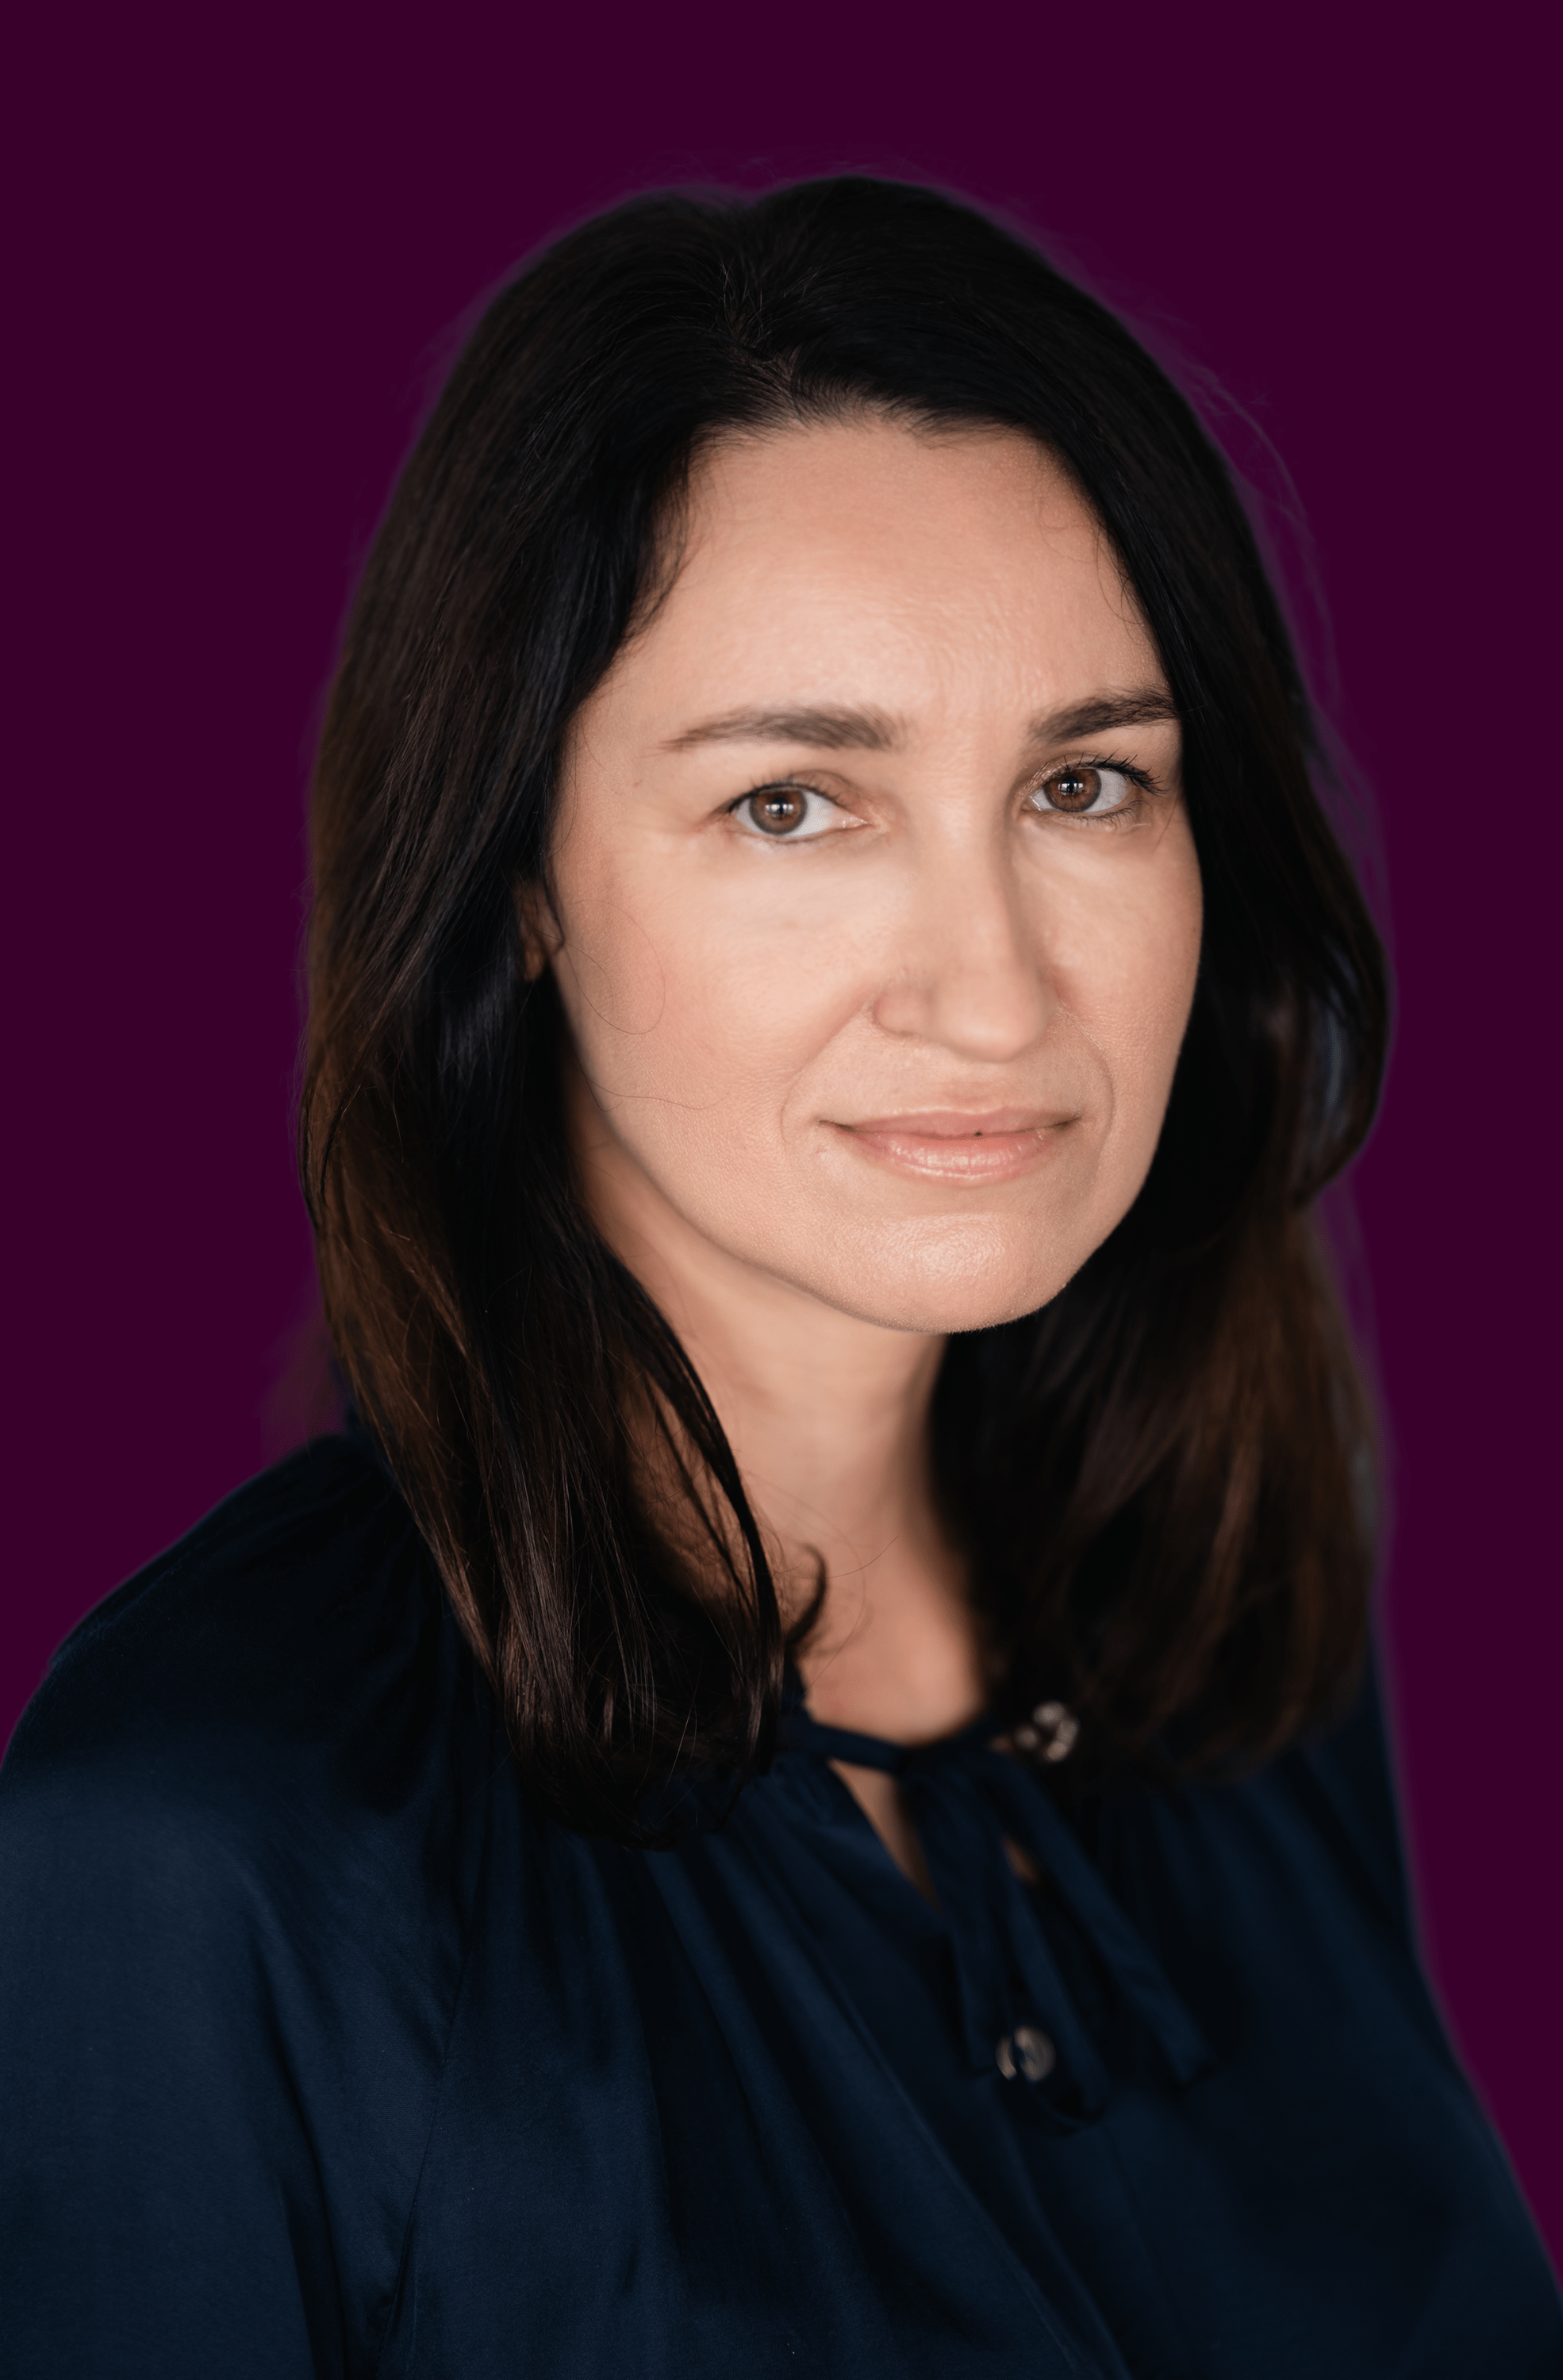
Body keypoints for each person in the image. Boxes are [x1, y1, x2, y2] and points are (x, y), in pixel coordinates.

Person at [2, 176, 1557, 2378]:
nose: (1000, 990)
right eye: (796, 809)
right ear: (518, 877)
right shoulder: (196, 1847)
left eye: (1089, 784)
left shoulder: (1237, 1632)